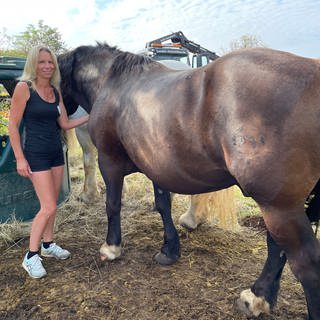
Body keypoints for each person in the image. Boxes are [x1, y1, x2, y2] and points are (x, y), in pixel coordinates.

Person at [8, 45, 89, 279]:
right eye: (42, 62)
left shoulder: (55, 91)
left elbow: (64, 123)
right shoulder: (24, 88)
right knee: (48, 206)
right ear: (33, 64)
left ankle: (48, 244)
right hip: (36, 154)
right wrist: (20, 158)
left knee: (54, 203)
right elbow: (13, 125)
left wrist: (93, 114)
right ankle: (31, 257)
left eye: (50, 62)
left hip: (55, 153)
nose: (47, 66)